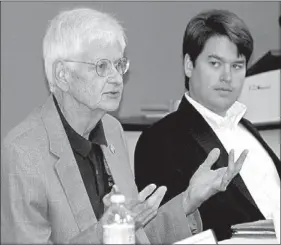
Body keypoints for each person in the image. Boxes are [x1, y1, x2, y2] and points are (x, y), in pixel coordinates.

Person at [1, 7, 249, 244]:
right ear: (62, 75)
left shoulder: (111, 130)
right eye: (102, 66)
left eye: (119, 65)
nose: (117, 78)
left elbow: (137, 235)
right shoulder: (23, 151)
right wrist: (105, 232)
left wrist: (189, 199)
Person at [134, 9, 281, 241]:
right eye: (215, 63)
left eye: (237, 66)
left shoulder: (248, 129)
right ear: (189, 65)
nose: (227, 77)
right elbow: (158, 232)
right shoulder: (160, 139)